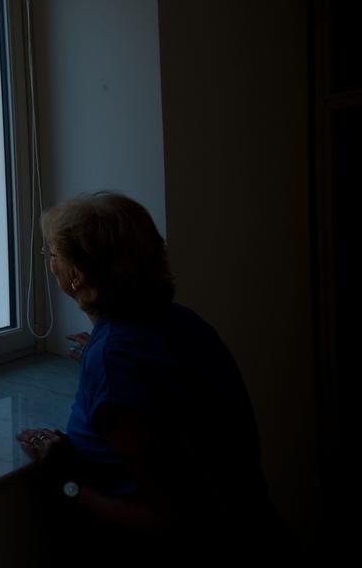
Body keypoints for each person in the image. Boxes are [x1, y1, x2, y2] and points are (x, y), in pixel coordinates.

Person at [17, 191, 299, 566]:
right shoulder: (179, 323)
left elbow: (175, 522)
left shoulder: (116, 359)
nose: (50, 264)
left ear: (77, 275)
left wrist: (66, 485)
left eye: (53, 255)